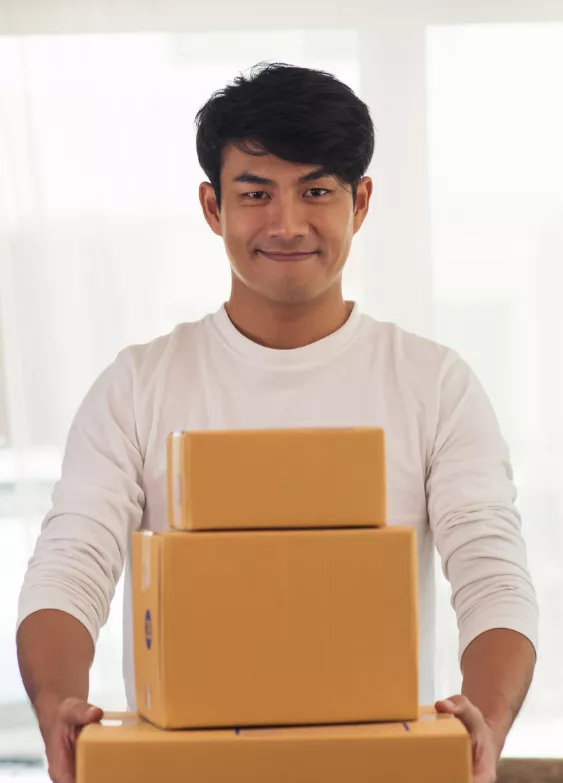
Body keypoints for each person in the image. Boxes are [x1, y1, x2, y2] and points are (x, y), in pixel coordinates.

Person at [17, 62, 537, 783]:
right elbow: (71, 565)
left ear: (359, 202)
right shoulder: (136, 384)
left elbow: (492, 576)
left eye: (316, 191)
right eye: (256, 193)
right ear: (212, 207)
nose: (286, 224)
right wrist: (58, 706)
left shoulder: (434, 383)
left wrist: (485, 722)